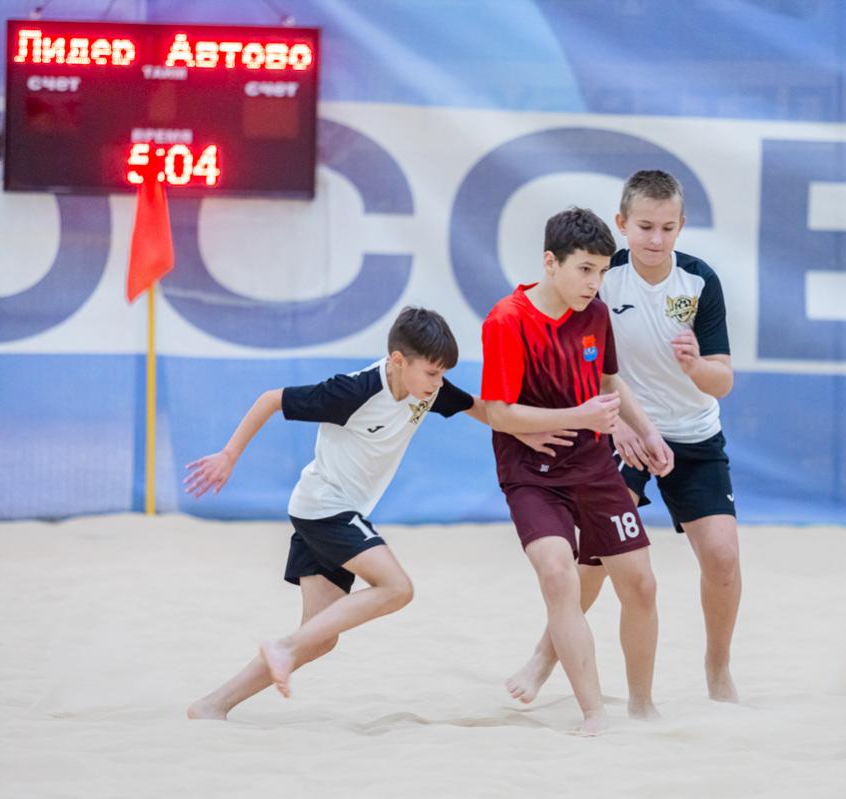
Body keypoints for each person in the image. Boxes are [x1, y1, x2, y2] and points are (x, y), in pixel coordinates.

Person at [184, 306, 557, 720]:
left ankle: (213, 705)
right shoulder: (352, 392)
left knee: (319, 638)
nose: (438, 383)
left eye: (441, 375)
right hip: (326, 508)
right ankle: (282, 648)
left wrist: (526, 433)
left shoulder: (426, 388)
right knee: (397, 588)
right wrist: (229, 454)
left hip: (323, 511)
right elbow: (271, 399)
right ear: (398, 361)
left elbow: (481, 409)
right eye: (432, 373)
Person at [506, 170, 742, 705]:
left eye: (667, 228)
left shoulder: (699, 282)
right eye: (644, 227)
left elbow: (723, 381)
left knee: (723, 558)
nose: (656, 239)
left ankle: (718, 670)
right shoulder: (600, 275)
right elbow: (576, 363)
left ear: (681, 225)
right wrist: (619, 427)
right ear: (622, 223)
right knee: (594, 557)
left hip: (693, 434)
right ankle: (544, 657)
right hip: (620, 433)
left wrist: (695, 367)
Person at [482, 207, 674, 735]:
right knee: (558, 574)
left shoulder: (595, 314)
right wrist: (579, 416)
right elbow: (499, 413)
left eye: (602, 271)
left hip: (592, 467)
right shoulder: (506, 320)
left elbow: (610, 382)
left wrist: (648, 432)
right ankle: (594, 713)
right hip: (531, 475)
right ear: (551, 262)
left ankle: (642, 706)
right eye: (585, 269)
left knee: (641, 585)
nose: (594, 283)